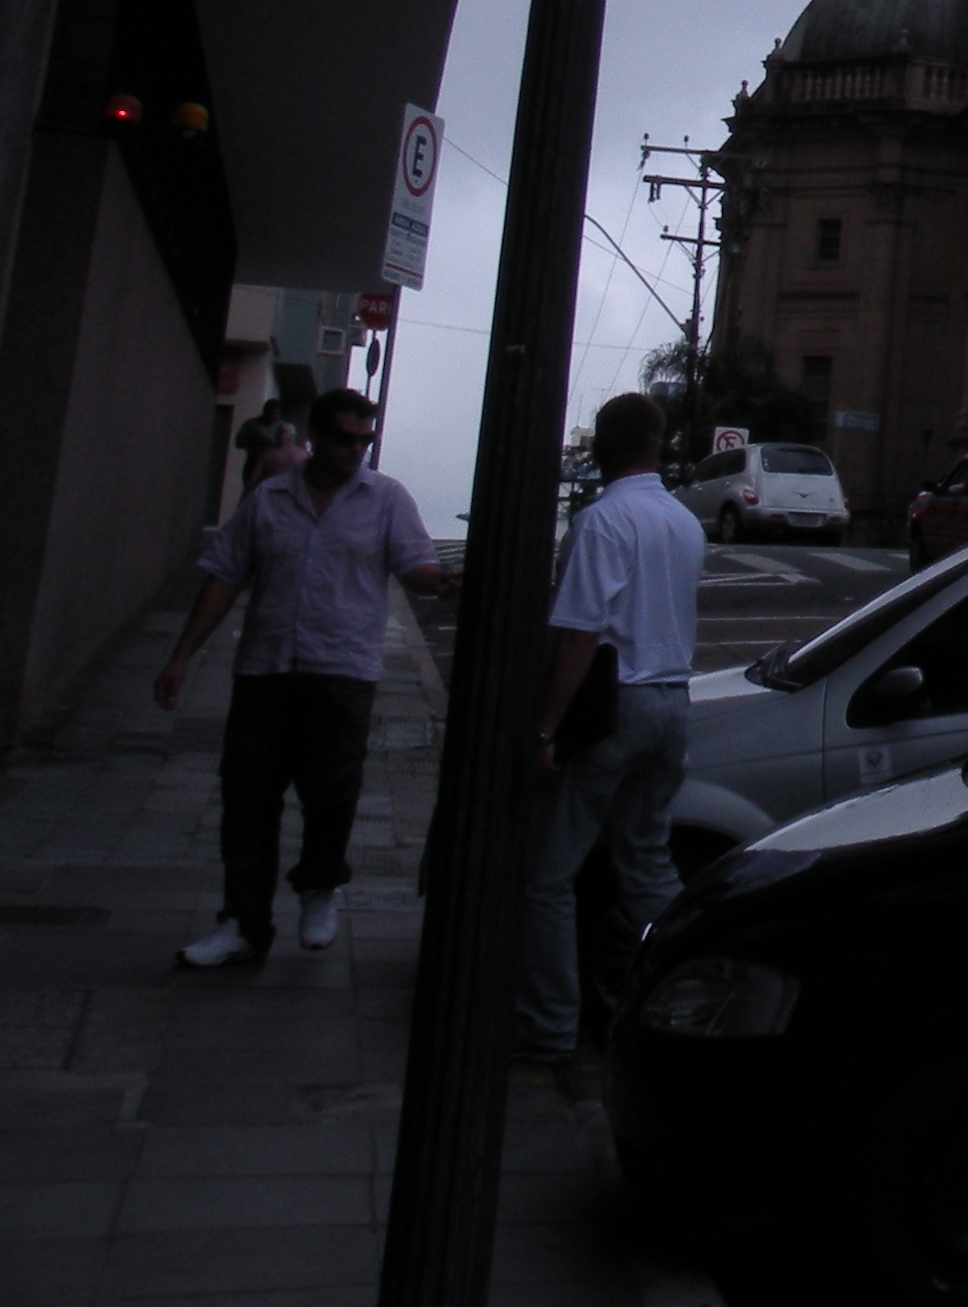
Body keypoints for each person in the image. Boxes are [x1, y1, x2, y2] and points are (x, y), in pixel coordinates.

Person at [156, 388, 446, 966]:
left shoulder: (385, 499)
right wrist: (182, 654)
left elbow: (415, 567)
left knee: (333, 793)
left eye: (365, 440)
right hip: (267, 668)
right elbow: (224, 577)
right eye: (344, 438)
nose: (355, 450)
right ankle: (243, 922)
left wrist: (440, 580)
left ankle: (320, 886)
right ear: (314, 435)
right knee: (248, 801)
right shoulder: (269, 501)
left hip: (342, 671)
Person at [516, 389, 705, 1059]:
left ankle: (547, 1026)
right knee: (648, 862)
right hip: (670, 704)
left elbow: (577, 636)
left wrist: (545, 729)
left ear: (601, 448)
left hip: (613, 704)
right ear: (658, 446)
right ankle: (692, 997)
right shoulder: (684, 523)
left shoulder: (602, 522)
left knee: (546, 875)